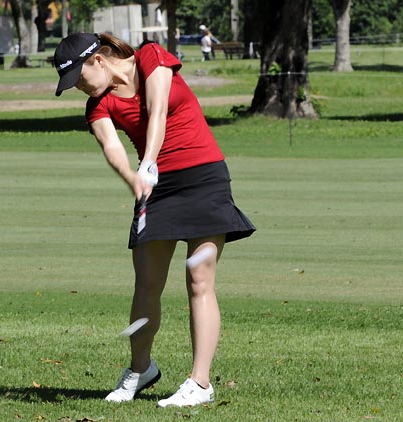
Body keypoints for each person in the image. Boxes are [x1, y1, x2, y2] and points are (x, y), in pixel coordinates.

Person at [53, 33, 255, 408]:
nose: (81, 88)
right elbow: (112, 147)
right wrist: (133, 178)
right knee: (146, 286)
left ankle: (200, 383)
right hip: (156, 192)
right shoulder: (98, 105)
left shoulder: (152, 57)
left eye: (80, 78)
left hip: (203, 178)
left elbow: (158, 110)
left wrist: (147, 162)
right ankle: (140, 369)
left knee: (199, 278)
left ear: (99, 60)